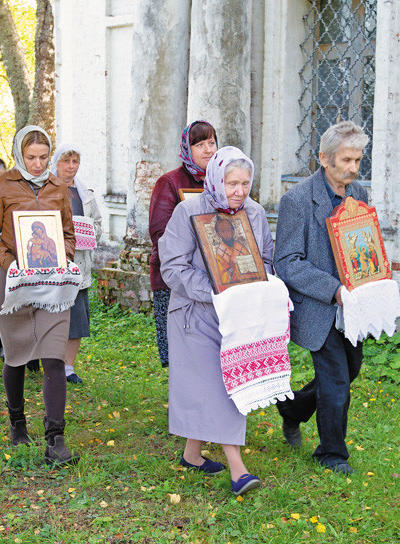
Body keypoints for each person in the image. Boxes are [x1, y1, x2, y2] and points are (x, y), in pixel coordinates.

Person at [159, 146, 273, 496]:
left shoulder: (254, 212)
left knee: (222, 382)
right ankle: (238, 469)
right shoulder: (189, 210)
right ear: (215, 179)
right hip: (195, 312)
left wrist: (257, 281)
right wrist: (216, 289)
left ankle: (192, 454)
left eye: (245, 183)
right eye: (231, 183)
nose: (239, 191)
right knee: (218, 384)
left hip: (237, 314)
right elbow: (172, 268)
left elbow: (266, 257)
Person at [274, 121, 370, 475]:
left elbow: (365, 245)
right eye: (347, 160)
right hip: (318, 306)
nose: (354, 168)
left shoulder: (357, 193)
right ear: (324, 159)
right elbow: (286, 262)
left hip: (353, 307)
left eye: (358, 160)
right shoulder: (296, 200)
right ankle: (332, 455)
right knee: (336, 382)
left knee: (352, 369)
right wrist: (333, 290)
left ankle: (292, 409)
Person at [0, 125, 79, 465]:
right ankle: (17, 422)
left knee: (54, 356)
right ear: (19, 155)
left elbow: (68, 233)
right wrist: (11, 264)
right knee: (17, 355)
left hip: (52, 284)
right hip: (13, 283)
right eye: (30, 158)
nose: (37, 165)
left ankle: (56, 439)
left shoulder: (58, 187)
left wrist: (62, 255)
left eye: (42, 158)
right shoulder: (2, 184)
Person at [149, 120, 218, 368]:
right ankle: (182, 401)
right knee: (180, 348)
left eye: (212, 142)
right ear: (187, 149)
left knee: (208, 348)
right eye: (200, 144)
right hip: (174, 280)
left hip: (215, 276)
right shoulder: (170, 183)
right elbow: (159, 233)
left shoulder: (220, 183)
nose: (208, 150)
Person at [50, 143, 102, 384]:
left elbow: (98, 223)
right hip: (52, 265)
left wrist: (89, 234)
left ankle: (68, 368)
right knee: (52, 317)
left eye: (75, 162)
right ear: (56, 163)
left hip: (79, 264)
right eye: (66, 161)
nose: (71, 167)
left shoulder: (85, 194)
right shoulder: (45, 190)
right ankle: (50, 363)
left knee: (77, 319)